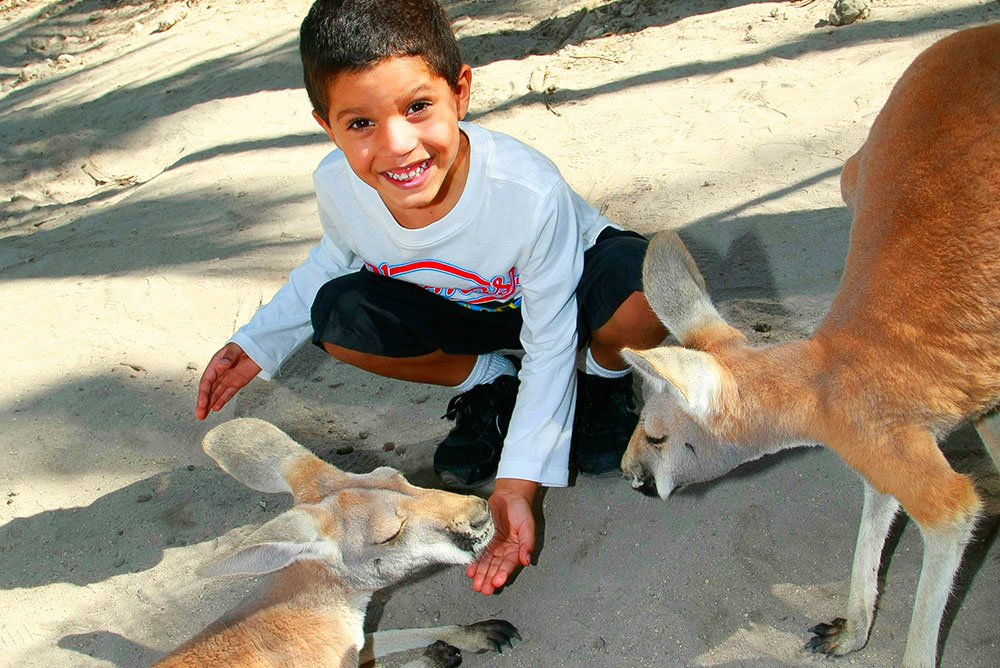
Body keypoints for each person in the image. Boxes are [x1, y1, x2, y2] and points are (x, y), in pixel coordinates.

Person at [195, 0, 667, 595]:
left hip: (566, 297)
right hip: (470, 312)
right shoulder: (338, 186)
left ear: (460, 92)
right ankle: (490, 382)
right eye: (359, 123)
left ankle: (596, 382)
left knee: (644, 290)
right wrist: (256, 343)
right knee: (338, 316)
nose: (396, 145)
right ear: (327, 126)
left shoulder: (525, 190)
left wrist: (517, 484)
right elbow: (332, 262)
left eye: (418, 107)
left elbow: (549, 338)